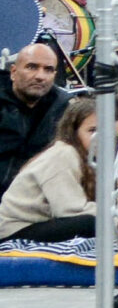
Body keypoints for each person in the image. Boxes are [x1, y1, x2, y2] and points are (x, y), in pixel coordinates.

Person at [0, 94, 97, 242]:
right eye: (92, 131)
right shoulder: (64, 153)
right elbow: (70, 210)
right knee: (93, 223)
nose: (100, 137)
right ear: (74, 131)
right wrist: (115, 216)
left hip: (38, 223)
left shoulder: (89, 157)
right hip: (14, 230)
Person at [0, 37, 69, 196]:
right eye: (32, 67)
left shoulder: (62, 107)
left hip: (35, 204)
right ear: (13, 72)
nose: (40, 76)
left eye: (48, 69)